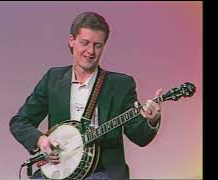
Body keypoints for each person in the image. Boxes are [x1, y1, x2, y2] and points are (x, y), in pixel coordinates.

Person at [10, 11, 162, 180]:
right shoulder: (53, 79)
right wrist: (41, 141)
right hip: (60, 167)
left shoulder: (120, 85)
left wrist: (152, 120)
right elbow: (20, 122)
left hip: (103, 172)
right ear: (71, 41)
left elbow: (139, 136)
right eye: (85, 43)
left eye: (98, 45)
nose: (91, 51)